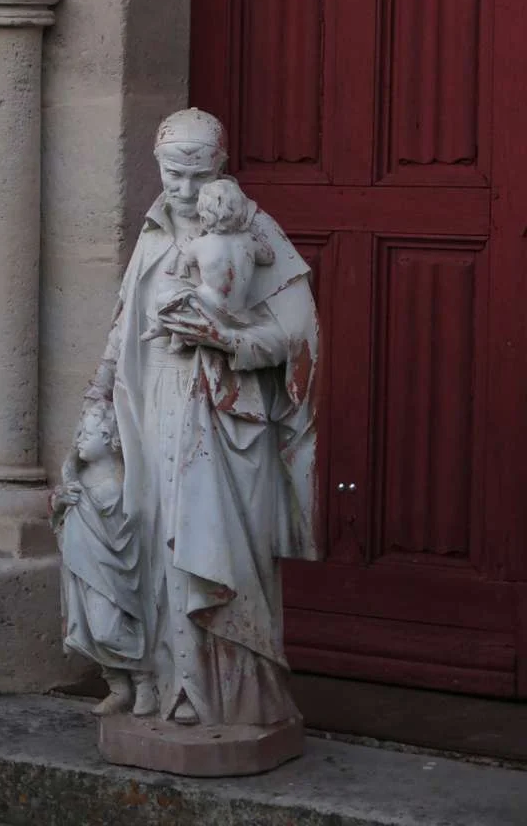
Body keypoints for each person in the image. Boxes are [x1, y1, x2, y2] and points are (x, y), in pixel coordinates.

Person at [59, 107, 319, 728]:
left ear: (220, 167)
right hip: (148, 409)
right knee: (151, 542)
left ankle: (231, 702)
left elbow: (298, 337)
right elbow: (123, 328)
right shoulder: (152, 236)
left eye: (197, 174)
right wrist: (96, 399)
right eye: (172, 173)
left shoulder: (255, 232)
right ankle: (164, 686)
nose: (182, 187)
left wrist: (225, 338)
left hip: (225, 420)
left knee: (217, 549)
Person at [52, 399, 156, 717]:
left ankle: (144, 678)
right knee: (85, 628)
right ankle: (118, 686)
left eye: (88, 433)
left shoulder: (123, 482)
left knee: (106, 630)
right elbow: (61, 517)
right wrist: (60, 501)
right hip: (80, 568)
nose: (79, 439)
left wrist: (88, 503)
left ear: (110, 439)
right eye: (78, 432)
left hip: (111, 571)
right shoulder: (78, 477)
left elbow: (132, 530)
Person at [140, 177, 276, 351]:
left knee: (168, 293)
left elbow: (188, 262)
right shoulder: (249, 240)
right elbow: (269, 257)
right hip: (239, 313)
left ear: (203, 218)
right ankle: (176, 341)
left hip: (210, 307)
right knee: (183, 299)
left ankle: (164, 331)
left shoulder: (200, 244)